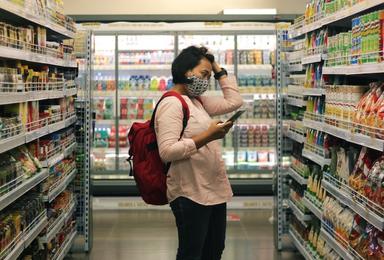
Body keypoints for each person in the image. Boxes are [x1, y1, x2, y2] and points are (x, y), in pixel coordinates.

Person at [154, 46, 243, 260]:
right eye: (204, 74)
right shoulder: (171, 103)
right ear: (187, 72)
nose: (207, 80)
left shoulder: (197, 101)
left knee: (213, 250)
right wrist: (209, 136)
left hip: (212, 189)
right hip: (189, 192)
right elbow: (166, 151)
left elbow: (234, 101)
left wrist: (216, 68)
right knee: (192, 253)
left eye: (209, 76)